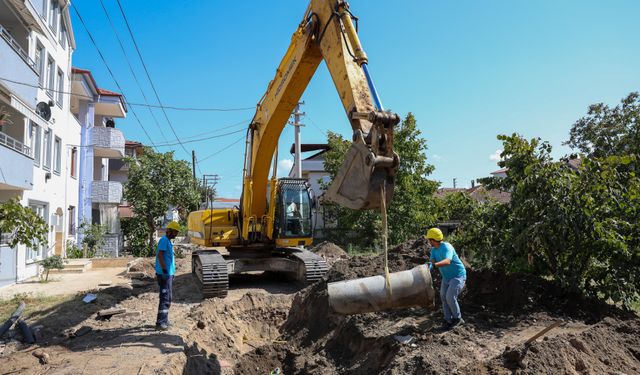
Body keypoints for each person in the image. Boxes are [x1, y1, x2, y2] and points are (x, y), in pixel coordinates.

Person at [426, 227, 467, 329]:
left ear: (432, 240)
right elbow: (432, 262)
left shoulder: (447, 247)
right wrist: (427, 269)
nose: (428, 242)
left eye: (429, 240)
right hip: (446, 278)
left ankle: (458, 319)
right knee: (443, 296)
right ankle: (447, 319)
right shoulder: (434, 250)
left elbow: (447, 261)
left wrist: (435, 265)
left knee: (450, 297)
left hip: (458, 276)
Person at [155, 221, 180, 330]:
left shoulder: (168, 241)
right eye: (174, 232)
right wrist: (165, 270)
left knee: (168, 298)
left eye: (176, 232)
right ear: (169, 231)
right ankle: (160, 323)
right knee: (165, 297)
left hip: (168, 274)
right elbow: (160, 255)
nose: (175, 234)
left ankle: (164, 319)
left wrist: (171, 273)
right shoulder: (164, 240)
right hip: (164, 274)